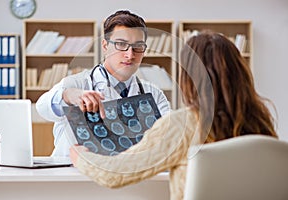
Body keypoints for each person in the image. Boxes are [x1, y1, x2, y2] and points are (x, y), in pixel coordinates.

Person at [69, 30, 278, 200]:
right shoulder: (260, 120)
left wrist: (81, 157)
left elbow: (115, 173)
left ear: (189, 78)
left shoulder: (183, 124)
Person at [36, 10, 171, 157]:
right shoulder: (77, 83)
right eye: (121, 44)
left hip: (129, 175)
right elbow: (42, 107)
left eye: (138, 46)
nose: (130, 54)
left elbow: (170, 136)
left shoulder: (153, 93)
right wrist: (68, 96)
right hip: (74, 175)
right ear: (105, 46)